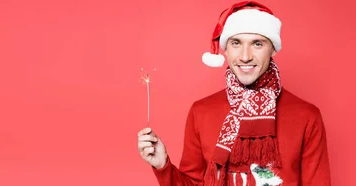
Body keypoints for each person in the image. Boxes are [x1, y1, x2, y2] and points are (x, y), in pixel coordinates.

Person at [136, 1, 331, 186]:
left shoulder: (306, 116)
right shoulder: (201, 111)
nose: (245, 57)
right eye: (236, 43)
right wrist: (163, 166)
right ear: (225, 49)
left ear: (272, 49)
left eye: (257, 43)